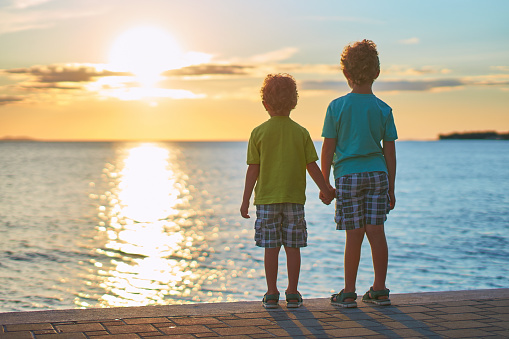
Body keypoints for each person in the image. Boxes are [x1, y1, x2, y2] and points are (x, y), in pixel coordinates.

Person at [241, 73, 334, 309]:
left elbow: (253, 170)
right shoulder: (301, 132)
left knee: (271, 248)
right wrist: (326, 189)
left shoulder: (258, 133)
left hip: (266, 201)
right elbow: (311, 166)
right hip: (294, 200)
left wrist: (245, 201)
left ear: (265, 104)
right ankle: (292, 292)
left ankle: (271, 293)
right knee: (293, 247)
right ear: (294, 103)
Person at [320, 39, 398, 308]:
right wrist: (392, 187)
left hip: (348, 177)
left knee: (353, 234)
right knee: (377, 231)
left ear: (346, 74)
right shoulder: (383, 109)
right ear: (377, 72)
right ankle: (379, 289)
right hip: (377, 175)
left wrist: (324, 184)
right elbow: (389, 153)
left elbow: (328, 149)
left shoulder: (336, 107)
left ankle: (349, 292)